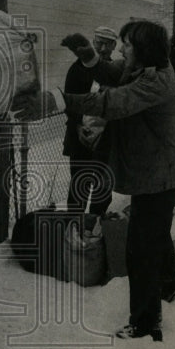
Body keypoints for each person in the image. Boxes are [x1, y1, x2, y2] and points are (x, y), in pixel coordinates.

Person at [24, 20, 175, 341]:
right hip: (153, 174)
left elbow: (111, 102)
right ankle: (172, 280)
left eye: (127, 44)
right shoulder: (144, 70)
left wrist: (58, 99)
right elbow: (114, 76)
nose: (122, 49)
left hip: (157, 176)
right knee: (151, 236)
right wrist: (89, 59)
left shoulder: (155, 83)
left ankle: (145, 322)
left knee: (140, 249)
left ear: (144, 50)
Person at [62, 26, 118, 218]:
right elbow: (69, 101)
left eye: (107, 44)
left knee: (103, 186)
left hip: (107, 139)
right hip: (80, 138)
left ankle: (95, 227)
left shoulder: (115, 71)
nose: (102, 48)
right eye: (99, 42)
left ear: (114, 46)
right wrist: (77, 125)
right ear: (93, 43)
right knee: (79, 183)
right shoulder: (77, 69)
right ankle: (73, 225)